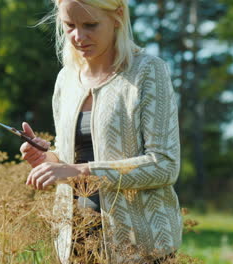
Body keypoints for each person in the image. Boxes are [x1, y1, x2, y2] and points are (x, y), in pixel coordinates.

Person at [19, 0, 182, 263]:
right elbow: (70, 161)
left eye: (90, 25)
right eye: (69, 25)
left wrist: (80, 171)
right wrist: (47, 160)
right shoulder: (66, 80)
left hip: (140, 249)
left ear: (117, 16)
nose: (78, 36)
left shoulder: (148, 72)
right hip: (77, 244)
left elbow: (164, 165)